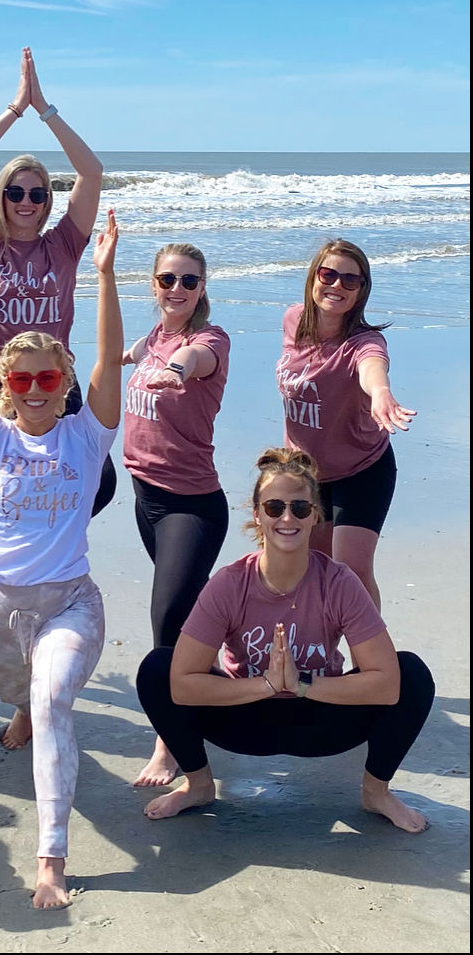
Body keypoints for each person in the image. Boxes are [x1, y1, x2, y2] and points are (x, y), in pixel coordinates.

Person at [0, 204, 122, 909]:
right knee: (17, 689)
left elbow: (111, 358)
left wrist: (105, 274)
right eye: (18, 381)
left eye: (45, 380)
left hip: (67, 601)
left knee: (53, 703)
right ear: (4, 389)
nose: (31, 391)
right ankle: (20, 703)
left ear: (64, 383)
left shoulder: (85, 438)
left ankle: (50, 856)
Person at [135, 448, 433, 833]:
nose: (287, 518)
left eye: (300, 508)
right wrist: (267, 684)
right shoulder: (230, 583)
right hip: (244, 716)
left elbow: (387, 681)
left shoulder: (340, 582)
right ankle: (200, 784)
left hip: (320, 717)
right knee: (158, 668)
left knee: (411, 674)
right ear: (258, 515)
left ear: (316, 516)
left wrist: (302, 684)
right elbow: (182, 681)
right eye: (274, 507)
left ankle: (376, 791)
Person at [0, 46, 115, 515]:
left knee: (96, 476)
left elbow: (92, 171)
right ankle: (30, 534)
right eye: (16, 191)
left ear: (47, 201)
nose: (27, 201)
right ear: (1, 196)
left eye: (38, 193)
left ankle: (51, 525)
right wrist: (14, 109)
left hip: (53, 376)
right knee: (5, 479)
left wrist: (45, 110)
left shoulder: (64, 243)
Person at [123, 243, 230, 788]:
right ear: (155, 283)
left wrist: (173, 371)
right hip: (146, 498)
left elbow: (192, 361)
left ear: (202, 287)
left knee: (167, 619)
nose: (178, 289)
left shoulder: (204, 342)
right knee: (188, 608)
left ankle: (169, 742)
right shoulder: (155, 338)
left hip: (191, 506)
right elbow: (128, 352)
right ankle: (220, 671)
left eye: (189, 281)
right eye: (168, 279)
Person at [276, 239, 415, 608]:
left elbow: (373, 367)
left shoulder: (364, 343)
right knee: (313, 569)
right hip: (307, 474)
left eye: (349, 281)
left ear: (361, 291)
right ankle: (323, 652)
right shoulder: (293, 320)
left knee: (350, 570)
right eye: (329, 274)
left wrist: (381, 393)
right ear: (313, 278)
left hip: (362, 470)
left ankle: (374, 659)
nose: (337, 286)